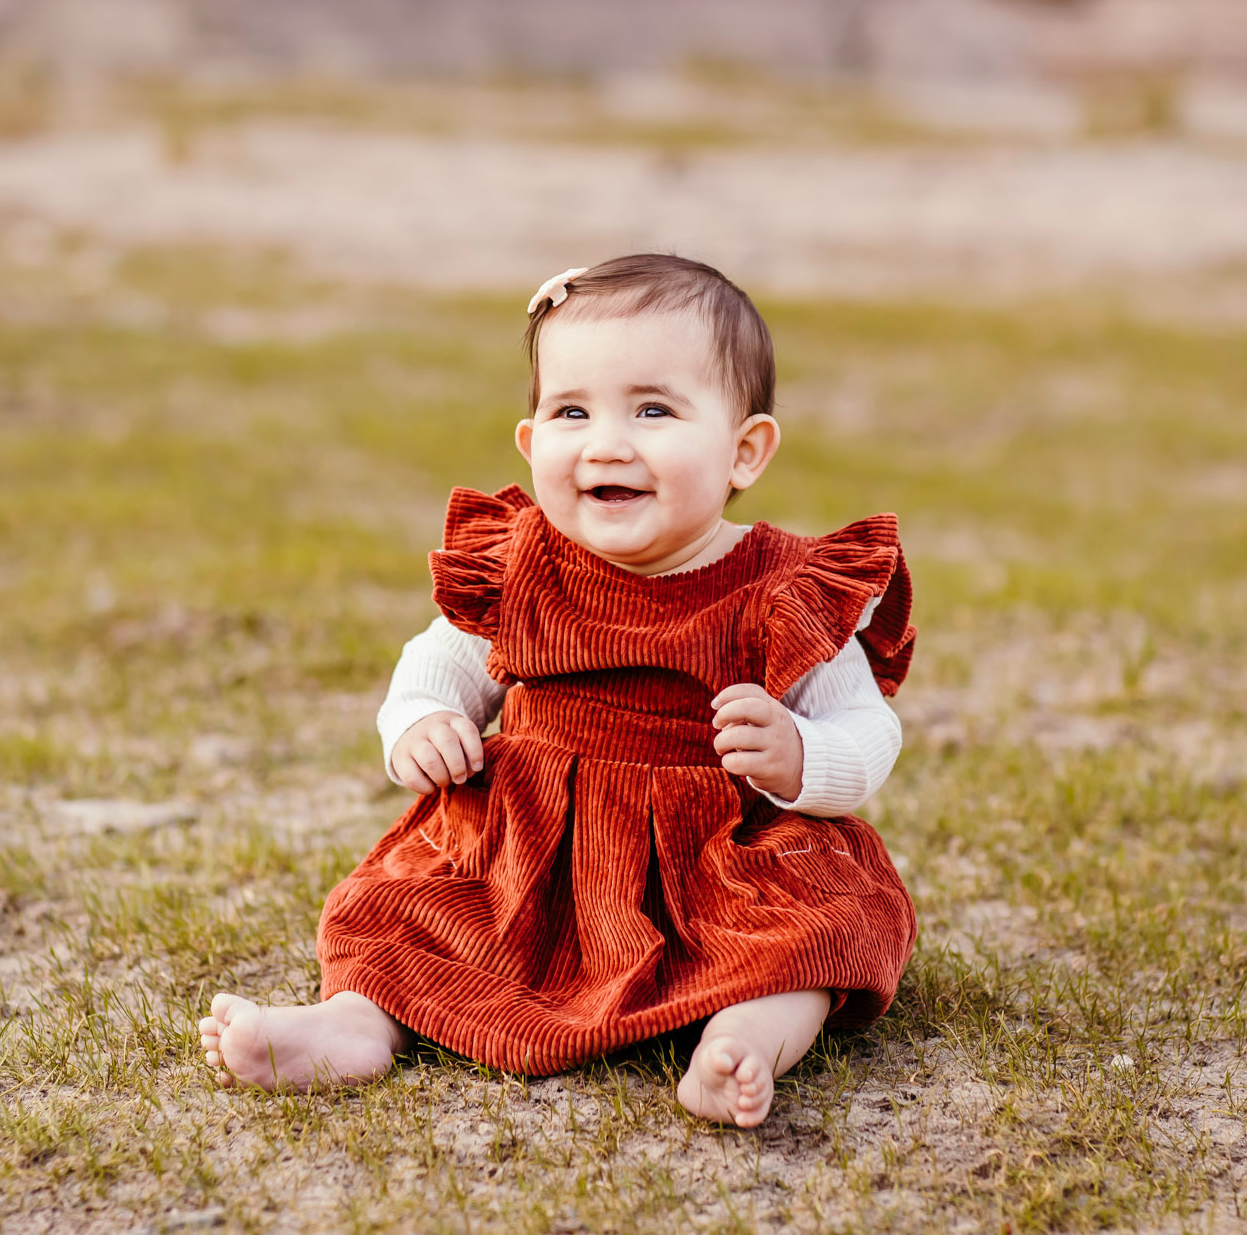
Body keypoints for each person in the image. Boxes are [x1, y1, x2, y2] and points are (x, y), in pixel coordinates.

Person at [199, 254, 918, 1128]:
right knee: (406, 906)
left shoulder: (784, 589)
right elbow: (442, 660)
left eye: (653, 409)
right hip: (529, 851)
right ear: (534, 443)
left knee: (820, 930)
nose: (606, 442)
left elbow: (867, 730)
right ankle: (354, 1023)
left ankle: (746, 1037)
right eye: (572, 411)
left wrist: (805, 756)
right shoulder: (524, 564)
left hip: (717, 859)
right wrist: (420, 720)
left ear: (744, 450)